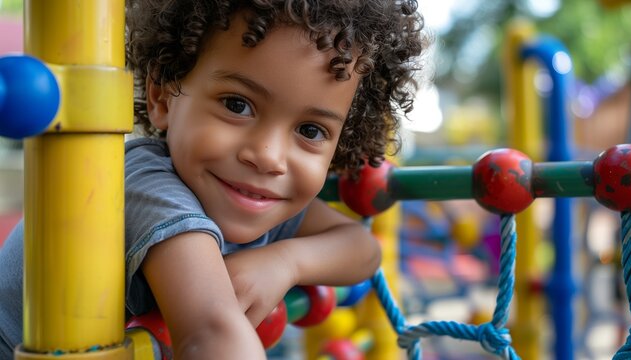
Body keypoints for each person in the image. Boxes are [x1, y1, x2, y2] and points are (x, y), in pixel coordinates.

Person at [0, 0, 427, 358]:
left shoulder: (256, 195)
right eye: (237, 105)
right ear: (162, 95)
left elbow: (362, 248)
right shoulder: (147, 185)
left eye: (311, 131)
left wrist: (286, 262)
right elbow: (211, 333)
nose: (267, 156)